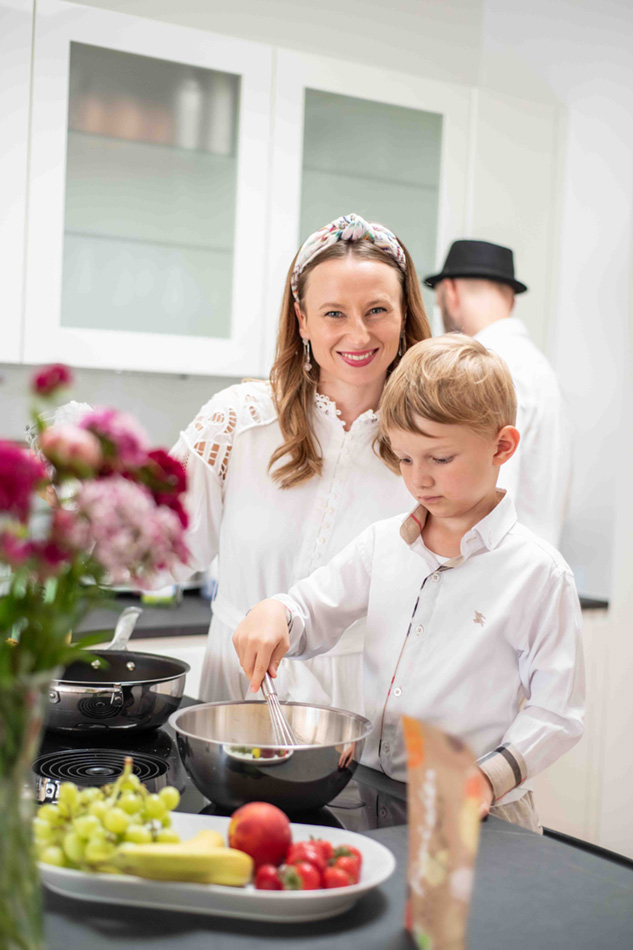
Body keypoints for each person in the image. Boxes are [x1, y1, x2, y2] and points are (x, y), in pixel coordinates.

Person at [232, 334, 585, 832]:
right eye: (404, 458)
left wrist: (487, 779)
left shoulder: (539, 574)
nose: (419, 479)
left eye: (440, 459)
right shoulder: (382, 545)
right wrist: (276, 612)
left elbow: (558, 712)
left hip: (480, 811)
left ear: (502, 446)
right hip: (379, 796)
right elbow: (311, 609)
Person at [167, 213, 431, 709]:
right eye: (334, 313)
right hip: (238, 697)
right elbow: (159, 553)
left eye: (377, 310)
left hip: (364, 709)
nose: (358, 334)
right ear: (302, 320)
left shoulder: (430, 445)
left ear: (404, 317)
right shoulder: (236, 422)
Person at [424, 239, 571, 547]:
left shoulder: (484, 369)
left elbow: (484, 502)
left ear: (450, 292)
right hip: (531, 560)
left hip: (495, 565)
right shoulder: (540, 369)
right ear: (511, 300)